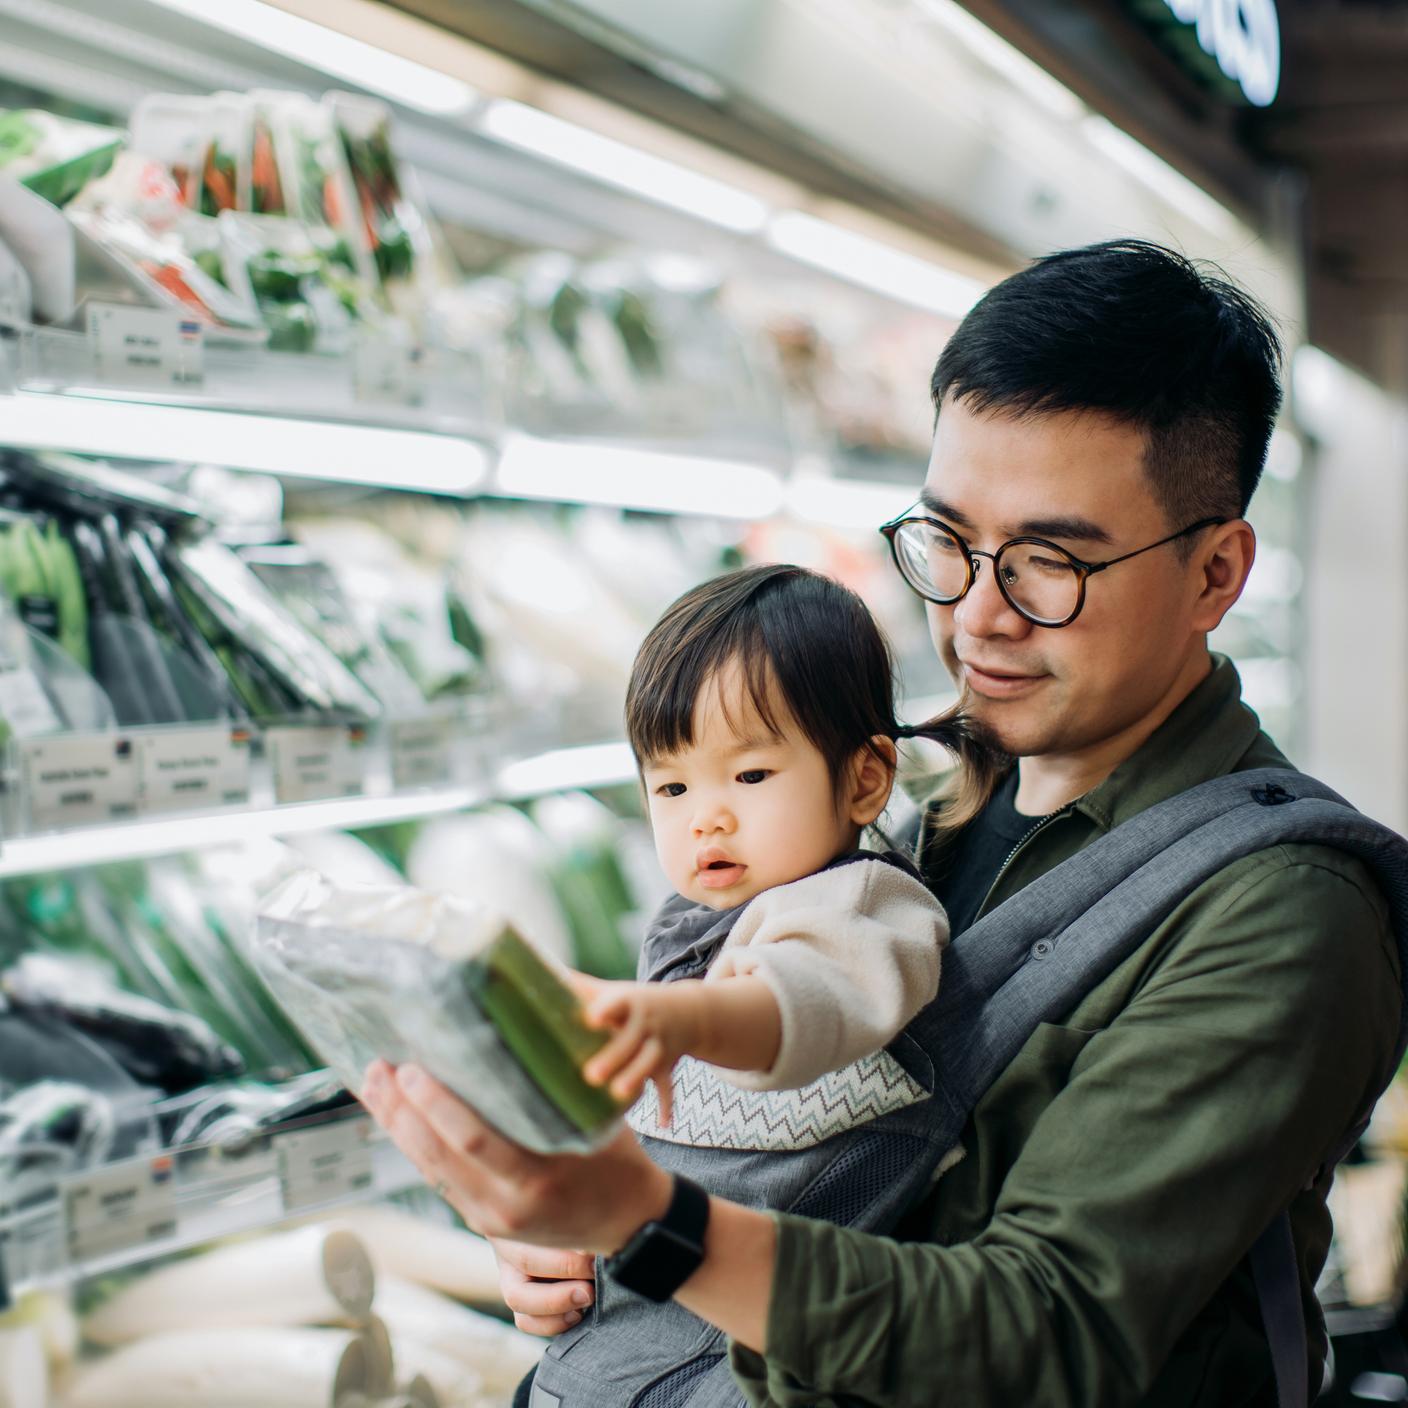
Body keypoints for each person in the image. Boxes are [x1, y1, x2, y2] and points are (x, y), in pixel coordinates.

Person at [361, 239, 1403, 1407]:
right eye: (948, 543)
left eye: (1050, 564)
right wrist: (582, 1240)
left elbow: (1044, 1334)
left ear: (1216, 574)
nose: (976, 618)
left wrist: (656, 1228)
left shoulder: (1284, 912)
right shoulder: (910, 797)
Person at [574, 562, 982, 1126]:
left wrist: (688, 1018)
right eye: (672, 787)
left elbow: (800, 997)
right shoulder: (691, 912)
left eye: (750, 776)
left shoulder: (866, 905)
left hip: (819, 1205)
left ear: (863, 781)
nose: (705, 819)